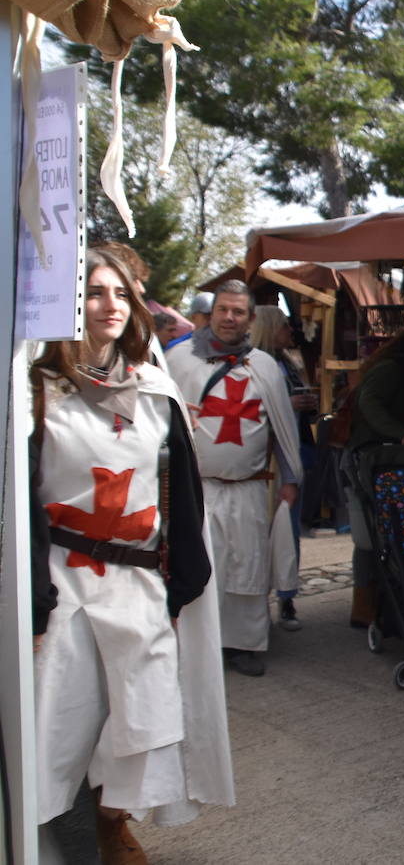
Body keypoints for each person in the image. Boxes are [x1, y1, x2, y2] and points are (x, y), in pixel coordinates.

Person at [30, 246, 232, 863]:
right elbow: (19, 505)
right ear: (68, 302)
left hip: (141, 583)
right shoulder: (35, 392)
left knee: (136, 719)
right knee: (59, 717)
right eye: (93, 292)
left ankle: (112, 824)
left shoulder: (154, 387)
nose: (108, 305)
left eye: (119, 293)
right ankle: (49, 831)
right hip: (66, 583)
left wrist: (181, 587)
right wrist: (34, 602)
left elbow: (182, 498)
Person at [166, 279, 302, 676]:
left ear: (250, 318)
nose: (229, 318)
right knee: (200, 565)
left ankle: (243, 645)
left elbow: (282, 426)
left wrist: (291, 479)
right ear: (212, 313)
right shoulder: (179, 360)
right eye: (223, 310)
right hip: (197, 489)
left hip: (249, 488)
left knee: (247, 567)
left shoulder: (263, 366)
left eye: (238, 312)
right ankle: (198, 647)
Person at [345, 327, 404, 627]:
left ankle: (375, 603)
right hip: (369, 460)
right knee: (370, 536)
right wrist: (401, 434)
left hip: (378, 459)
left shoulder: (393, 370)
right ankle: (365, 605)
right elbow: (368, 402)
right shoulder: (391, 370)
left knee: (379, 534)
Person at [251, 305, 319, 632]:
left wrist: (305, 405)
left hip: (293, 455)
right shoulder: (256, 365)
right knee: (270, 530)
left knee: (288, 531)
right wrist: (286, 406)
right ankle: (262, 600)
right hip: (269, 461)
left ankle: (287, 597)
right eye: (284, 327)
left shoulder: (287, 364)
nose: (290, 332)